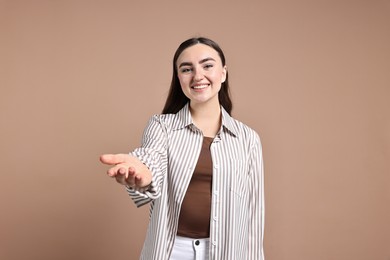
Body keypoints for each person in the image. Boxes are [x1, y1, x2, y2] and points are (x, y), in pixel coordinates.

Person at [100, 37, 265, 260]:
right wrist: (143, 174)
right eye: (187, 69)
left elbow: (253, 216)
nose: (198, 76)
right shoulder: (161, 126)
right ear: (179, 78)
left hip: (227, 253)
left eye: (207, 66)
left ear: (223, 73)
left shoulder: (248, 139)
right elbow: (152, 159)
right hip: (171, 251)